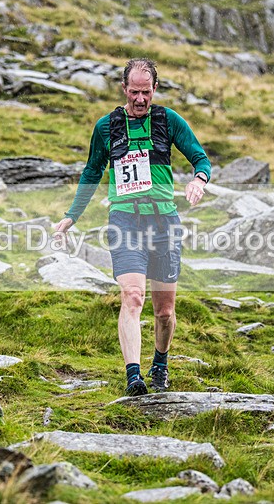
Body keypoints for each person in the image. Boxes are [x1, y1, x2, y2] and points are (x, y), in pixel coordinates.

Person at [53, 58, 211, 396]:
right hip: (125, 220)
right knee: (132, 295)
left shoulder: (168, 121)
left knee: (164, 311)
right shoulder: (106, 127)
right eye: (134, 92)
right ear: (124, 89)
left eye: (146, 92)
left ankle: (160, 363)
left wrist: (199, 180)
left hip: (164, 221)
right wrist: (72, 215)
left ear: (155, 89)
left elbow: (201, 158)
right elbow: (92, 172)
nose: (140, 99)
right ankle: (133, 376)